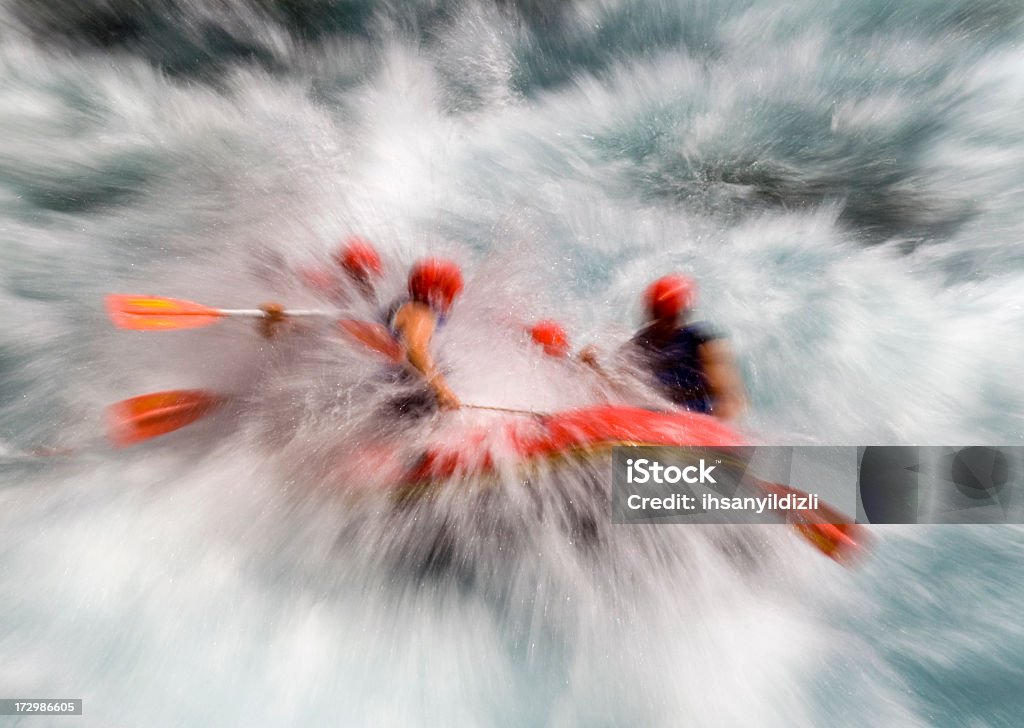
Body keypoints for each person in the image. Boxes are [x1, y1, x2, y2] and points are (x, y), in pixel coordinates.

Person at [628, 274, 746, 420]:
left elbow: (731, 397)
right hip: (659, 417)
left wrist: (716, 429)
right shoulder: (642, 343)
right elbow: (616, 376)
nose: (660, 322)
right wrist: (595, 363)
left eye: (668, 317)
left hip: (699, 418)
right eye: (656, 314)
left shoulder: (702, 340)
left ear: (680, 315)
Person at [388, 257, 464, 411]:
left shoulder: (406, 305)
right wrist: (441, 389)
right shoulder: (420, 313)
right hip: (406, 398)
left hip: (398, 388)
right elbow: (415, 349)